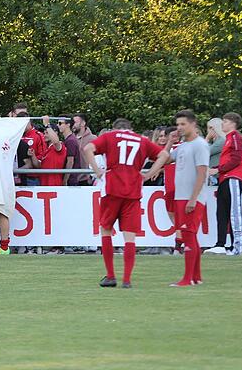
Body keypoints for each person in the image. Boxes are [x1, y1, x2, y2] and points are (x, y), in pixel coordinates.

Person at [84, 118, 164, 288]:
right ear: (131, 128)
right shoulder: (141, 140)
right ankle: (127, 279)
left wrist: (97, 171)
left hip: (112, 187)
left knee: (105, 229)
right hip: (133, 189)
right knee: (130, 236)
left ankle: (111, 276)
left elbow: (88, 148)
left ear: (115, 128)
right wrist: (149, 173)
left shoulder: (110, 137)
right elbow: (164, 155)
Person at [146, 110, 209, 286]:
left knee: (188, 235)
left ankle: (187, 278)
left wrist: (193, 199)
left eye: (183, 124)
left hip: (190, 198)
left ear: (193, 124)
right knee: (191, 236)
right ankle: (196, 277)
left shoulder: (200, 145)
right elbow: (165, 159)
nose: (180, 128)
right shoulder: (182, 146)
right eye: (178, 124)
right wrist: (170, 143)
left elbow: (202, 173)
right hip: (181, 197)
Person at [205, 112, 242, 255]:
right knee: (222, 212)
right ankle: (220, 244)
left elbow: (236, 159)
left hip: (233, 178)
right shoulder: (229, 138)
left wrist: (217, 170)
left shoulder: (235, 137)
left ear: (232, 123)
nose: (222, 124)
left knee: (234, 213)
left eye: (224, 121)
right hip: (225, 178)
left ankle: (237, 247)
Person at [72, 113, 96, 185]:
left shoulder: (93, 139)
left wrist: (90, 175)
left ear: (83, 123)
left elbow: (98, 160)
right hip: (72, 178)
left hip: (86, 180)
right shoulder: (71, 138)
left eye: (75, 122)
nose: (72, 125)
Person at [57, 116, 81, 185]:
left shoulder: (70, 141)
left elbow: (70, 161)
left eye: (60, 123)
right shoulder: (70, 139)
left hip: (70, 180)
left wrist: (65, 180)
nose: (58, 125)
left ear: (68, 125)